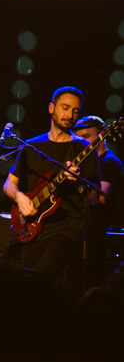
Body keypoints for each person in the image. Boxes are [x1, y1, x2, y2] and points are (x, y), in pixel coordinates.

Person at [2, 86, 101, 285]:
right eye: (65, 108)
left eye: (76, 111)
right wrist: (19, 197)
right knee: (29, 284)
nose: (70, 115)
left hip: (66, 230)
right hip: (33, 227)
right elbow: (9, 184)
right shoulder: (31, 146)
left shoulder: (84, 149)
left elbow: (94, 199)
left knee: (40, 280)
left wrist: (79, 184)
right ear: (51, 108)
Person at [73, 115, 122, 286]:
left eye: (86, 136)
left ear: (101, 135)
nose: (82, 142)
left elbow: (101, 197)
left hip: (94, 236)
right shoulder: (91, 162)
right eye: (79, 137)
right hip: (81, 233)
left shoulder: (109, 162)